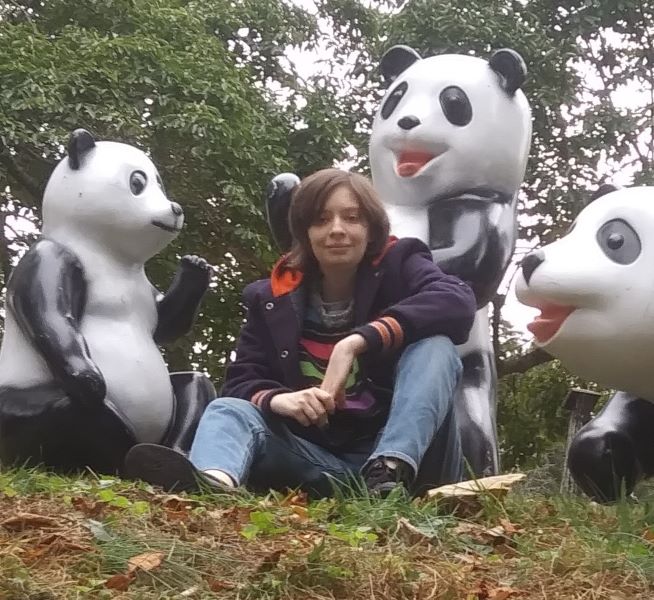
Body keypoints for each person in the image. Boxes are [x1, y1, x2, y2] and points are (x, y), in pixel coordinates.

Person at [124, 168, 476, 497]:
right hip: (326, 463)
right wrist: (280, 400)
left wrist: (356, 342)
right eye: (321, 220)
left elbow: (456, 301)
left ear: (370, 229)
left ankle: (389, 469)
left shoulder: (401, 262)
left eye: (351, 218)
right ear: (305, 233)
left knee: (435, 347)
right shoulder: (271, 299)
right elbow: (242, 380)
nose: (336, 229)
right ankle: (211, 487)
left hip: (415, 464)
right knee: (227, 408)